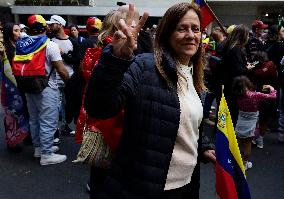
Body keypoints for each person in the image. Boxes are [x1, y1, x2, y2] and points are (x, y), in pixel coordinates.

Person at [85, 3, 215, 199]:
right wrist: (115, 59)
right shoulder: (144, 66)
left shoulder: (195, 77)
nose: (191, 35)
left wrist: (203, 145)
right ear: (166, 34)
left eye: (196, 29)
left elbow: (186, 120)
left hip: (187, 185)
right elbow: (99, 107)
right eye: (182, 28)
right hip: (144, 188)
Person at [22, 14, 69, 165]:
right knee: (48, 121)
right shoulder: (50, 45)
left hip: (28, 87)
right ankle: (47, 154)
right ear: (45, 28)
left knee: (34, 120)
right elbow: (62, 71)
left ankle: (39, 148)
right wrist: (70, 80)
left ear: (29, 29)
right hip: (47, 88)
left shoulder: (22, 44)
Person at [47, 15, 80, 138]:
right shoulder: (49, 40)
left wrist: (63, 55)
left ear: (60, 25)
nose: (49, 26)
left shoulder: (73, 42)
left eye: (52, 24)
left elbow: (77, 60)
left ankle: (66, 126)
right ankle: (54, 132)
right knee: (54, 106)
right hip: (53, 79)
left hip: (69, 79)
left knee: (67, 104)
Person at [232, 76, 276, 170]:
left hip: (241, 120)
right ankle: (244, 164)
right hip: (251, 122)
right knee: (247, 143)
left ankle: (234, 161)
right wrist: (271, 88)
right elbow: (272, 97)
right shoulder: (255, 95)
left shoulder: (237, 95)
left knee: (238, 141)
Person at [1, 22, 29, 152]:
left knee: (25, 110)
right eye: (16, 30)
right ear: (9, 32)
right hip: (10, 84)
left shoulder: (19, 44)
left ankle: (26, 135)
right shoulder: (4, 48)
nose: (19, 33)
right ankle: (12, 142)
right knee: (12, 113)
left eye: (19, 30)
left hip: (22, 82)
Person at [220, 24, 253, 126]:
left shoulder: (228, 46)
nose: (248, 37)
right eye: (247, 35)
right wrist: (247, 68)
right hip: (234, 86)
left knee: (225, 113)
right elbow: (238, 70)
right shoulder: (236, 49)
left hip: (226, 83)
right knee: (231, 114)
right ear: (243, 35)